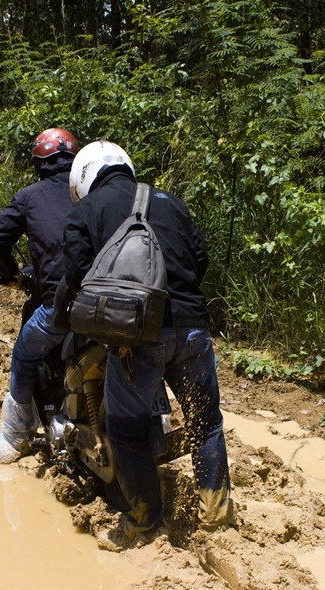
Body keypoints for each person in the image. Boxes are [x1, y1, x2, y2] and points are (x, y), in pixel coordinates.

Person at [54, 140, 234, 534]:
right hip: (193, 331)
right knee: (207, 423)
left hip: (136, 341)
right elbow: (199, 260)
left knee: (126, 431)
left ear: (84, 178)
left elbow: (79, 277)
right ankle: (217, 516)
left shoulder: (85, 211)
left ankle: (142, 518)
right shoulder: (172, 202)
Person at [0, 128, 79, 463]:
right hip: (107, 300)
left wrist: (8, 273)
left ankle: (15, 435)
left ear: (40, 164)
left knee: (24, 355)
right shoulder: (92, 193)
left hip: (61, 305)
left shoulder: (30, 196)